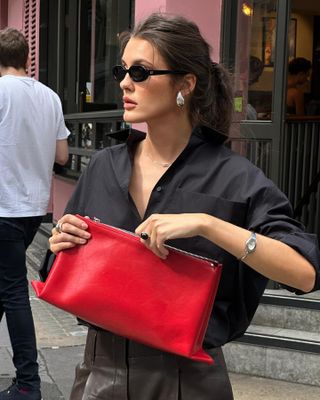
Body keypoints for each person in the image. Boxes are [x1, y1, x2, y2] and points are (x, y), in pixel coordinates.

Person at [48, 13, 320, 400]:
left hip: (187, 381)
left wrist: (210, 225)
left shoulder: (233, 178)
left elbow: (305, 274)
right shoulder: (105, 166)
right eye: (122, 70)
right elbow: (60, 269)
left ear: (186, 84)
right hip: (98, 374)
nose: (125, 82)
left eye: (140, 72)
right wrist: (63, 240)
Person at [0, 28, 70, 400]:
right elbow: (62, 156)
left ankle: (29, 383)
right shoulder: (51, 97)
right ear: (27, 57)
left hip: (3, 206)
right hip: (33, 210)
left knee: (13, 292)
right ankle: (25, 379)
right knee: (5, 286)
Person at [246, 55, 264, 120]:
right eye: (257, 75)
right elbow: (238, 109)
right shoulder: (238, 87)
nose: (257, 80)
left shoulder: (241, 87)